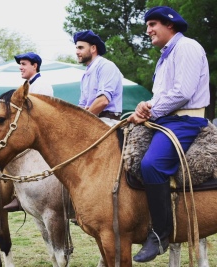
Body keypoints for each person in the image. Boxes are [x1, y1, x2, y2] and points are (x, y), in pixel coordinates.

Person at [128, 6, 210, 262]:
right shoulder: (165, 55)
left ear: (170, 25)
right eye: (147, 26)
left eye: (153, 24)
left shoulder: (186, 47)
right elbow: (161, 95)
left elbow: (182, 93)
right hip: (167, 118)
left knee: (152, 164)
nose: (148, 30)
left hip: (185, 120)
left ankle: (160, 233)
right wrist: (145, 105)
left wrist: (149, 113)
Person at [3, 52, 54, 212]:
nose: (20, 67)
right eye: (21, 64)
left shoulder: (42, 85)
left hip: (40, 134)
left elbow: (39, 115)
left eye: (24, 64)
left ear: (35, 66)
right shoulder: (27, 86)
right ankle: (18, 195)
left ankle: (20, 196)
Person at [74, 30, 123, 126]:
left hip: (107, 121)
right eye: (76, 48)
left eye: (80, 48)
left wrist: (81, 120)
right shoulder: (86, 74)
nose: (77, 52)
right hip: (91, 119)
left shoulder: (106, 66)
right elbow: (81, 105)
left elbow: (103, 101)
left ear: (93, 48)